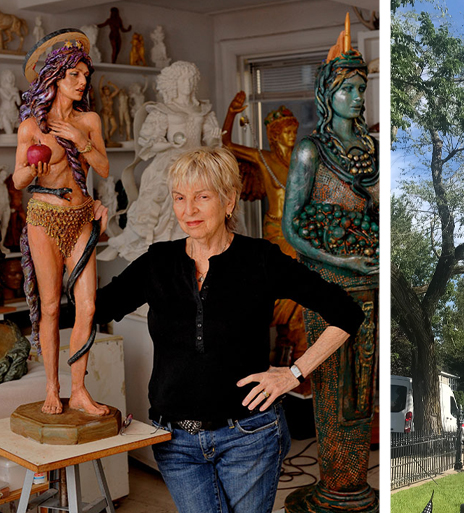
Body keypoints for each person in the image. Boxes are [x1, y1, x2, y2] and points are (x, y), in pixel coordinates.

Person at [93, 146, 363, 513]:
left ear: (229, 200)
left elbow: (346, 312)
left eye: (202, 197)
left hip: (249, 436)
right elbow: (94, 309)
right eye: (180, 198)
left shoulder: (261, 260)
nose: (188, 211)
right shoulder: (158, 262)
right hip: (175, 442)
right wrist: (84, 239)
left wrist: (294, 374)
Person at [282, 17, 379, 512]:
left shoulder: (374, 152)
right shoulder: (308, 152)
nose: (358, 97)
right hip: (328, 286)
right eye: (348, 89)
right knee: (334, 386)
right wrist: (338, 256)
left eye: (362, 88)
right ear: (328, 94)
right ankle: (335, 487)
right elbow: (293, 228)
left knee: (364, 388)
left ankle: (353, 487)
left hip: (371, 286)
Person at [14, 33, 110, 415]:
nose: (82, 81)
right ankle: (53, 388)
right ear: (54, 78)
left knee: (86, 306)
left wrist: (81, 142)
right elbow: (19, 181)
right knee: (51, 307)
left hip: (80, 217)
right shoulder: (32, 128)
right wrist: (31, 169)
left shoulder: (89, 120)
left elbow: (103, 167)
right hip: (43, 218)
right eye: (73, 74)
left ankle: (80, 389)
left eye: (85, 74)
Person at [222, 96, 308, 381]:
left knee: (301, 293)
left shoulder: (302, 162)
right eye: (286, 131)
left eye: (294, 130)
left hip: (300, 232)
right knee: (279, 290)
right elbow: (226, 145)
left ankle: (296, 350)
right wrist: (232, 114)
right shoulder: (264, 158)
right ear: (274, 134)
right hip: (276, 232)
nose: (291, 136)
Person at [101, 61, 221, 262]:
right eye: (184, 79)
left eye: (192, 79)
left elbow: (212, 143)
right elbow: (148, 145)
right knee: (156, 199)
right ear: (173, 83)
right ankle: (128, 241)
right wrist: (170, 143)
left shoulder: (203, 109)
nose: (189, 83)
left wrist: (216, 139)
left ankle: (198, 253)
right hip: (170, 163)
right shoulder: (164, 110)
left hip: (198, 165)